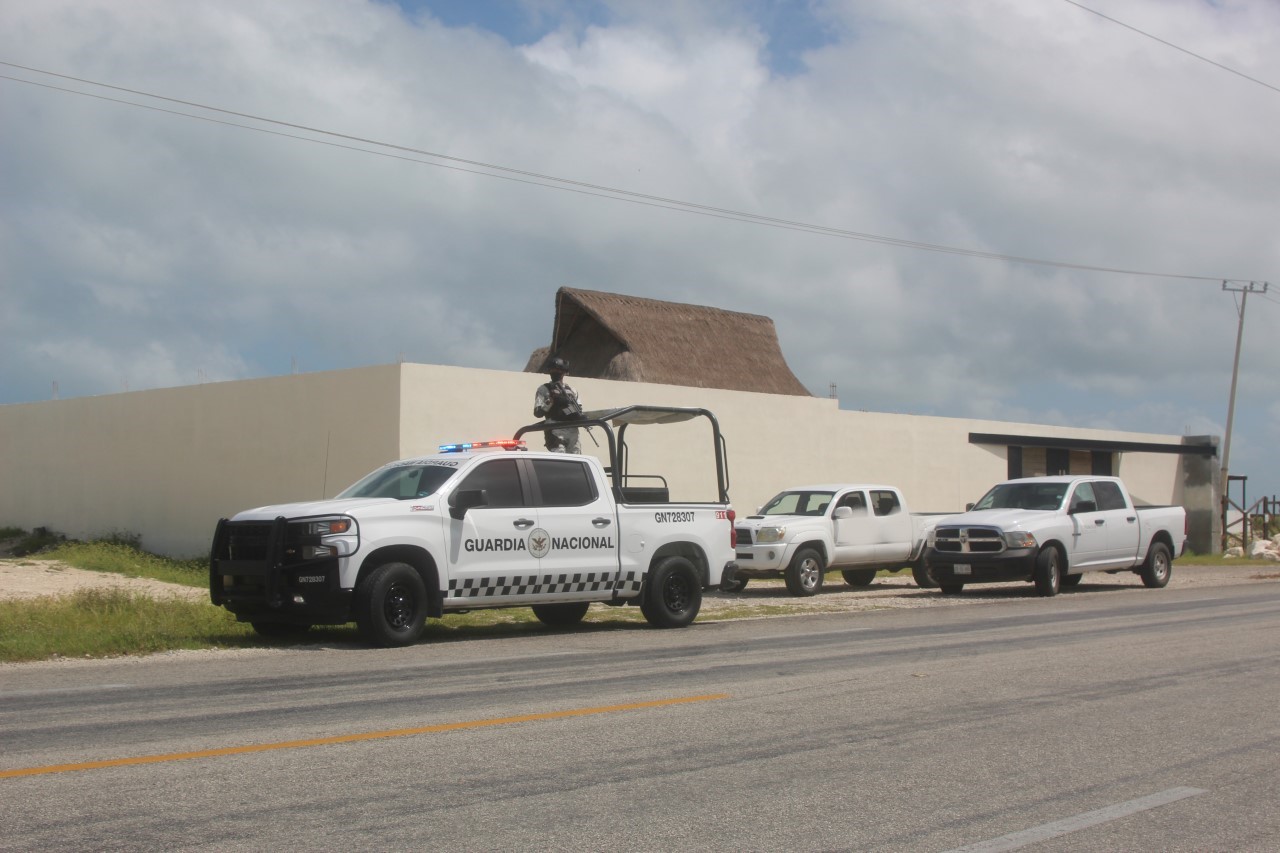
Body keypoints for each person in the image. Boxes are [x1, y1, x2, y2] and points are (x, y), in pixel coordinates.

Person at [533, 355, 584, 453]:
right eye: (552, 370)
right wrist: (550, 400)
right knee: (560, 461)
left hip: (573, 432)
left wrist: (567, 407)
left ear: (564, 372)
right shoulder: (544, 389)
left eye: (559, 370)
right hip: (555, 431)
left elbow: (579, 410)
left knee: (576, 462)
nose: (555, 373)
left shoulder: (572, 391)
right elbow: (538, 412)